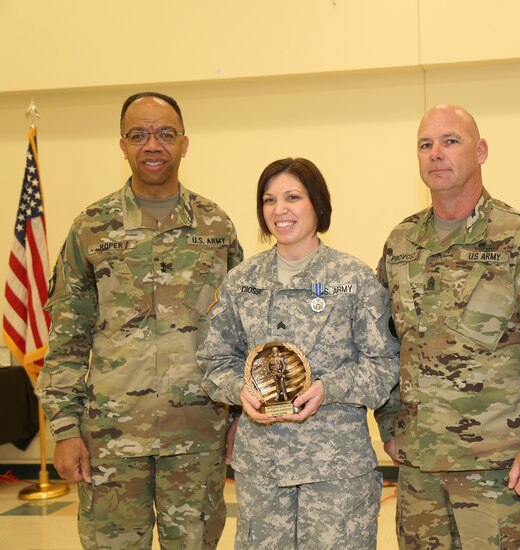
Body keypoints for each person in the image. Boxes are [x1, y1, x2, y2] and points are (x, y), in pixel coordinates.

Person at [35, 91, 244, 549]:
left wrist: (238, 421)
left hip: (197, 435)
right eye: (139, 134)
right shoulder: (90, 227)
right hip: (111, 439)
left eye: (166, 134)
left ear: (184, 144)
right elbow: (68, 339)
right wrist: (66, 430)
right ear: (123, 145)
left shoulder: (216, 227)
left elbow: (238, 337)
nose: (153, 145)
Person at [375, 104, 520, 548]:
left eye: (450, 141)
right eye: (425, 144)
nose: (436, 153)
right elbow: (385, 343)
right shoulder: (400, 243)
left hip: (499, 473)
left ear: (481, 151)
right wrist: (391, 423)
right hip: (419, 474)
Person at [197, 157, 399, 549]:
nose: (279, 210)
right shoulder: (242, 281)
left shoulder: (353, 280)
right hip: (263, 472)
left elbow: (383, 365)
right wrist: (240, 389)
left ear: (317, 205)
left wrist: (328, 387)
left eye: (293, 197)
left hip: (335, 472)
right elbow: (214, 360)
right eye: (269, 200)